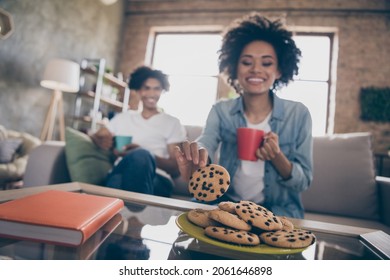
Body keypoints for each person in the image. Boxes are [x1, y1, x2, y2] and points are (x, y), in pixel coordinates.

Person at [175, 13, 313, 218]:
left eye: (266, 63)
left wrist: (277, 157)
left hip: (277, 211)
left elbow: (303, 181)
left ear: (279, 71)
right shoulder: (221, 110)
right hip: (225, 204)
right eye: (247, 62)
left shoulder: (299, 114)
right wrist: (198, 156)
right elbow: (207, 141)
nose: (256, 69)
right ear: (234, 67)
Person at [92, 66, 186, 197]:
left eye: (157, 88)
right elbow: (97, 134)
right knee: (118, 178)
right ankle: (135, 215)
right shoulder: (123, 117)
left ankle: (121, 213)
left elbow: (175, 168)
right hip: (122, 169)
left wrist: (143, 153)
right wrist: (101, 141)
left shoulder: (172, 123)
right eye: (146, 88)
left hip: (157, 178)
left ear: (162, 90)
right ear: (138, 90)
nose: (152, 93)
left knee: (119, 179)